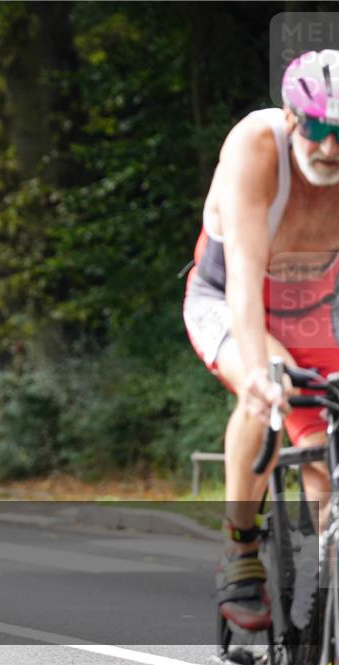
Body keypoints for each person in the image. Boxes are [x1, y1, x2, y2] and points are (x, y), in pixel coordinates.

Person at [183, 50, 339, 632]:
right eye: (319, 129)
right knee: (268, 386)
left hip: (317, 314)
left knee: (328, 471)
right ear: (295, 118)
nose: (329, 149)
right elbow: (245, 280)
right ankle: (239, 546)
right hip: (227, 300)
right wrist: (254, 369)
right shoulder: (257, 146)